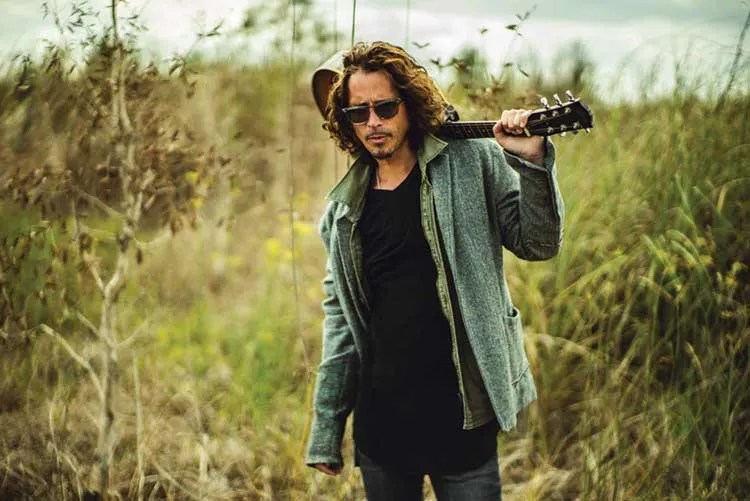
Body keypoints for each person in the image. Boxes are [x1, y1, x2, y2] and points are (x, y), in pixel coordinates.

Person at [304, 41, 564, 500]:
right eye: (357, 114)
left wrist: (532, 164)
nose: (373, 124)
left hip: (462, 423)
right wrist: (327, 428)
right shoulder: (342, 211)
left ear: (410, 103)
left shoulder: (471, 160)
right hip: (382, 431)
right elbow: (341, 323)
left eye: (384, 107)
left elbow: (538, 243)